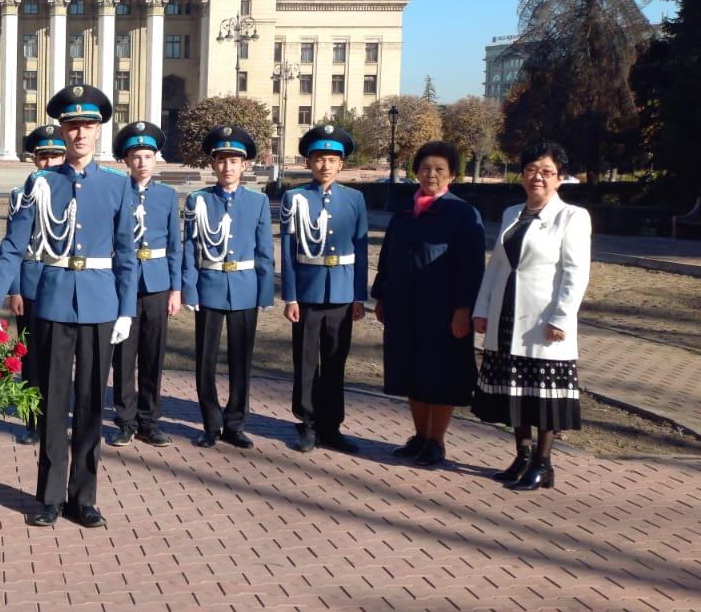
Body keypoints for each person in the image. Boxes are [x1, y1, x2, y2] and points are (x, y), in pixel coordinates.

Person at [0, 85, 138, 530]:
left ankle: (83, 497)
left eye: (88, 125)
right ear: (62, 131)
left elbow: (127, 254)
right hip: (50, 302)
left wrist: (126, 310)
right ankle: (49, 496)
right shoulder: (41, 182)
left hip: (100, 304)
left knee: (90, 403)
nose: (80, 133)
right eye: (72, 126)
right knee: (50, 402)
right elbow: (13, 246)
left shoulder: (118, 184)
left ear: (99, 130)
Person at [471, 142, 591, 491]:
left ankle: (543, 462)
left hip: (543, 319)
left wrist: (561, 318)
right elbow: (496, 266)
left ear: (560, 178)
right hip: (506, 314)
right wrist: (482, 309)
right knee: (513, 390)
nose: (537, 177)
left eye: (547, 172)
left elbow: (576, 273)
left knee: (542, 394)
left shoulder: (572, 217)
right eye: (531, 170)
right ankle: (522, 456)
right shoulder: (512, 213)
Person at [371, 140, 486, 468]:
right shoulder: (405, 210)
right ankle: (419, 436)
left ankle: (436, 441)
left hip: (443, 311)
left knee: (441, 374)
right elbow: (388, 256)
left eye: (439, 169)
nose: (431, 174)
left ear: (452, 175)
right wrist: (381, 295)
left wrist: (463, 308)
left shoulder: (463, 213)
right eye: (425, 168)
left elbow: (472, 267)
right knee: (411, 371)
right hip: (403, 307)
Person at [181, 126, 274, 449]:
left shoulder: (258, 201)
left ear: (245, 165)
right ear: (213, 164)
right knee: (205, 360)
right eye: (221, 160)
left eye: (234, 161)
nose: (227, 167)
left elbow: (265, 251)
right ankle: (210, 423)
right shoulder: (198, 200)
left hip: (245, 289)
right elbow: (190, 249)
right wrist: (190, 289)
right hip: (209, 286)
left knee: (241, 360)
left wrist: (265, 293)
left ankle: (235, 423)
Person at [280, 123, 371, 454]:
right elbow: (288, 252)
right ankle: (307, 423)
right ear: (308, 162)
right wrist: (290, 296)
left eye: (332, 160)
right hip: (307, 293)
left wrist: (359, 296)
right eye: (319, 159)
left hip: (342, 294)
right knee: (306, 362)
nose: (325, 165)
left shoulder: (355, 199)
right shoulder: (295, 198)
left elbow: (361, 250)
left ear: (341, 164)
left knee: (335, 361)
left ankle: (332, 426)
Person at [107, 120, 182, 448]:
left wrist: (176, 289)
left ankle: (149, 421)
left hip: (157, 284)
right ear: (126, 160)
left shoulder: (167, 195)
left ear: (155, 159)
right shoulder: (114, 192)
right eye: (136, 157)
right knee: (123, 356)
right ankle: (125, 421)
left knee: (153, 354)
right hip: (122, 284)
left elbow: (176, 246)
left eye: (148, 156)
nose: (142, 163)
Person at [6, 124, 66, 445]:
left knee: (59, 357)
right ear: (34, 160)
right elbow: (13, 246)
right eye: (43, 157)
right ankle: (32, 422)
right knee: (30, 358)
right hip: (30, 284)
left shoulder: (72, 193)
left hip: (61, 284)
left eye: (55, 156)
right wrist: (15, 289)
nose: (49, 163)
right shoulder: (21, 195)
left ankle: (57, 421)